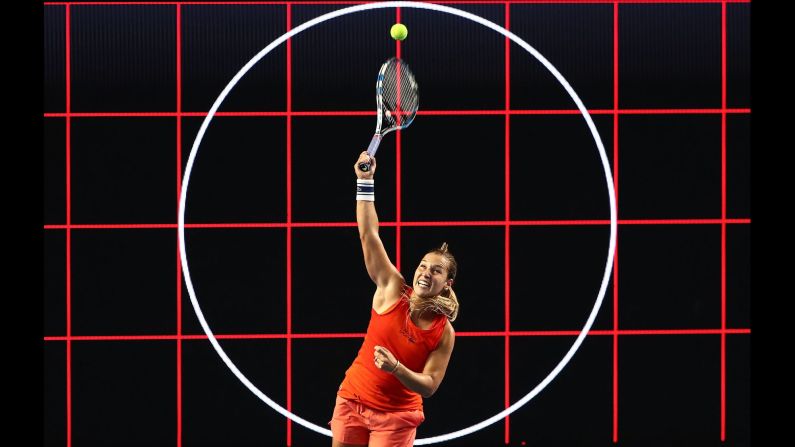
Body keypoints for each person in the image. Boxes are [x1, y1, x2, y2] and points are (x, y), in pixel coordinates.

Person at [328, 151, 460, 447]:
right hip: (352, 401)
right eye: (423, 266)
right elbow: (369, 234)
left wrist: (396, 369)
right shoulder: (392, 288)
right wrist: (365, 181)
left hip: (397, 418)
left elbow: (429, 386)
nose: (426, 273)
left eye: (436, 271)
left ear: (447, 284)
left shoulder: (444, 332)